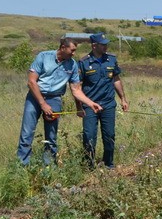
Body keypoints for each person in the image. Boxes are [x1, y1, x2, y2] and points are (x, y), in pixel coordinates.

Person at [17, 37, 102, 166]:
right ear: (63, 48)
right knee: (27, 134)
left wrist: (90, 103)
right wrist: (43, 104)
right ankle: (22, 166)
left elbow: (76, 89)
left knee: (51, 136)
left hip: (54, 98)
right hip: (35, 97)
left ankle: (49, 167)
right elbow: (31, 81)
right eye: (72, 50)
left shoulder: (72, 64)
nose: (74, 53)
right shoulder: (43, 57)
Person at [77, 33, 128, 169]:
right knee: (89, 136)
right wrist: (79, 107)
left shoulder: (111, 60)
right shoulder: (84, 62)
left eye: (106, 44)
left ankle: (108, 164)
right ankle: (89, 165)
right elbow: (78, 87)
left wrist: (123, 99)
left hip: (108, 104)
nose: (106, 46)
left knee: (109, 135)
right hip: (90, 106)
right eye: (103, 44)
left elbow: (116, 80)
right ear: (94, 46)